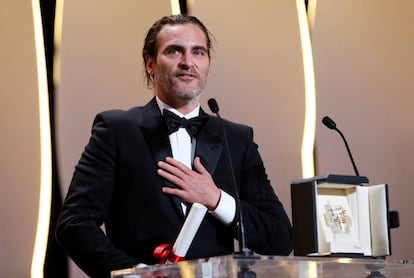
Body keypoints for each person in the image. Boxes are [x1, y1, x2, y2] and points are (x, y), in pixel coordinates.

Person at [56, 14, 293, 277]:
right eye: (174, 51)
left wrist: (215, 199)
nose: (188, 63)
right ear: (150, 64)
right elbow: (74, 225)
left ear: (207, 65)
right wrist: (135, 273)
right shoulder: (116, 130)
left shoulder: (237, 139)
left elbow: (279, 238)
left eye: (198, 52)